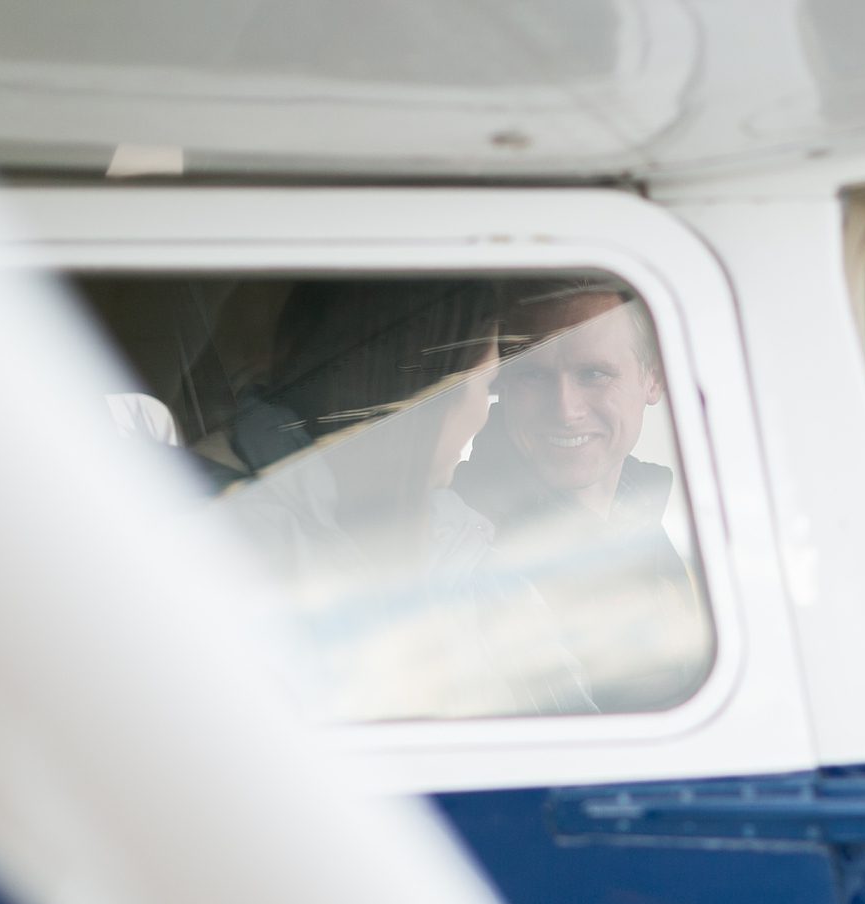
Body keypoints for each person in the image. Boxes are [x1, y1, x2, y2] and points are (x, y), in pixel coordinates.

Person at [220, 278, 593, 719]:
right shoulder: (233, 552)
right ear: (427, 397)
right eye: (485, 386)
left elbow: (574, 723)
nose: (484, 412)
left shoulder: (466, 548)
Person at [453, 279, 710, 711]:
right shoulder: (463, 544)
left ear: (653, 378)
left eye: (593, 374)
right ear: (504, 385)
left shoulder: (645, 515)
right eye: (533, 375)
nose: (565, 409)